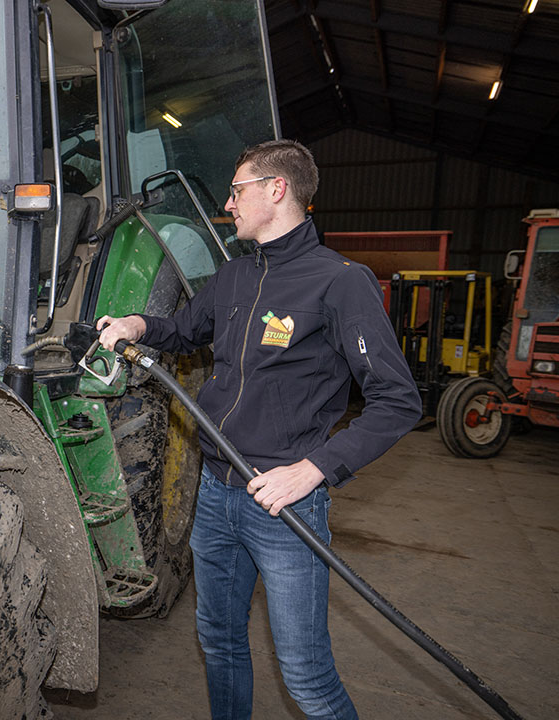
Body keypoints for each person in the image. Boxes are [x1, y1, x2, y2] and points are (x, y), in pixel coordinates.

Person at [97, 139, 421, 720]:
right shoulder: (235, 275)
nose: (228, 203)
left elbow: (397, 402)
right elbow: (181, 331)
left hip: (284, 506)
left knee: (306, 677)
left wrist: (313, 469)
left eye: (238, 189)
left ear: (277, 190)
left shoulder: (341, 282)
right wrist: (137, 322)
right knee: (220, 645)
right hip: (217, 495)